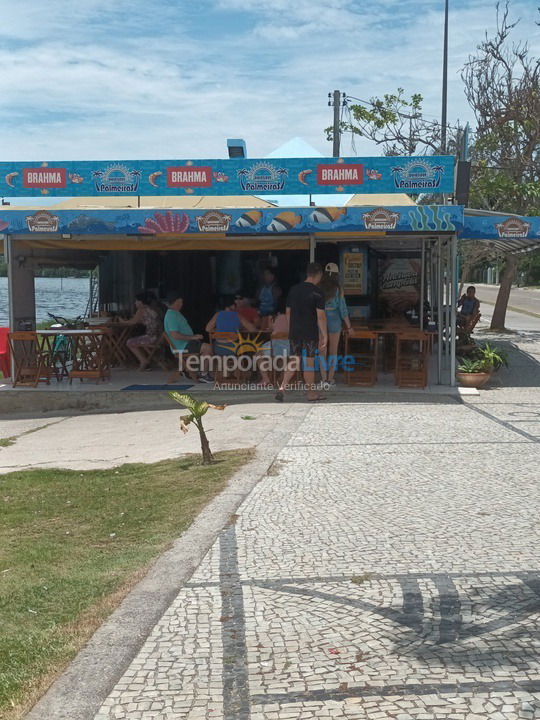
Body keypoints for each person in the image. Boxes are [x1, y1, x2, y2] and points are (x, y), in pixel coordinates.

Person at [275, 262, 327, 402]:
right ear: (319, 275)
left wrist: (292, 327)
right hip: (310, 332)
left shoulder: (294, 290)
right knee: (309, 363)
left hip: (295, 332)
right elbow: (320, 316)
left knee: (294, 360)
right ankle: (311, 393)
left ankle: (282, 388)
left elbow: (288, 312)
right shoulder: (318, 293)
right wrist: (324, 334)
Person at [164, 291, 213, 383]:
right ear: (176, 302)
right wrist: (192, 338)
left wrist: (194, 337)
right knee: (208, 348)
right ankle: (204, 374)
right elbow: (174, 335)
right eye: (181, 302)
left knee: (205, 346)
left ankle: (186, 370)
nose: (182, 304)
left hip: (185, 344)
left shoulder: (175, 313)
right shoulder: (171, 315)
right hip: (182, 347)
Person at [318, 263, 352, 387]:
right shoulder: (338, 289)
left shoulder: (318, 288)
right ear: (337, 275)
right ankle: (330, 378)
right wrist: (349, 326)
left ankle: (323, 378)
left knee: (322, 350)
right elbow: (343, 309)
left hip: (320, 318)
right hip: (334, 319)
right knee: (333, 350)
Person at [124, 292, 162, 370]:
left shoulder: (142, 310)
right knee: (137, 340)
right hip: (161, 337)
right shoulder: (153, 309)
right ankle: (147, 361)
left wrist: (121, 321)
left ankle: (144, 361)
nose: (135, 303)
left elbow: (132, 322)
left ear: (141, 302)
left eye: (136, 301)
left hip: (152, 337)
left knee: (129, 342)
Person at [257, 297, 290, 386]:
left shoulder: (273, 317)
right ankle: (283, 378)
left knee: (258, 354)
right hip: (289, 348)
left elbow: (269, 329)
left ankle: (265, 378)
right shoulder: (293, 316)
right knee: (289, 359)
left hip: (274, 348)